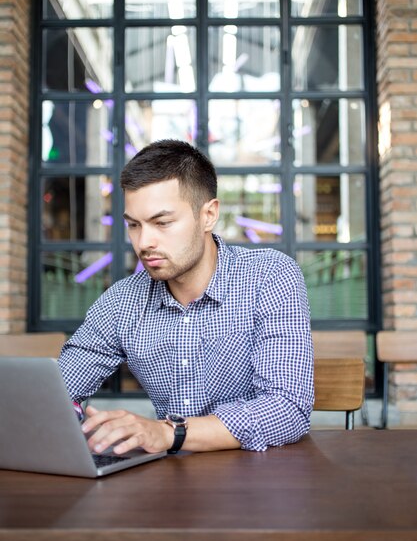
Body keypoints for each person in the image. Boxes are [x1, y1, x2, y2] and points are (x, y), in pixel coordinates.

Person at [58, 139, 314, 456]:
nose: (144, 242)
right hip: (169, 483)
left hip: (260, 482)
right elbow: (58, 392)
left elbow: (287, 409)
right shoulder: (122, 301)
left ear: (208, 215)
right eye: (134, 225)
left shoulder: (269, 276)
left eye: (162, 222)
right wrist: (67, 418)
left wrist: (169, 433)